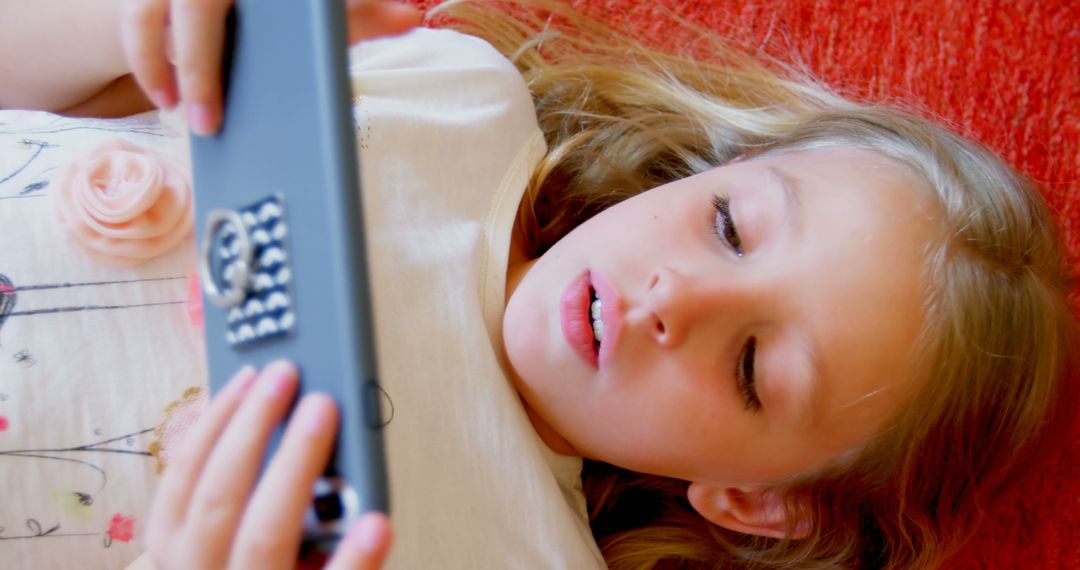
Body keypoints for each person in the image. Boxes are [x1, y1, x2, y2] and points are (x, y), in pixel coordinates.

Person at [2, 0, 1074, 568]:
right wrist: (122, 20)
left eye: (751, 367)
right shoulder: (458, 105)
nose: (674, 299)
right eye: (728, 226)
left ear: (754, 503)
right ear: (719, 168)